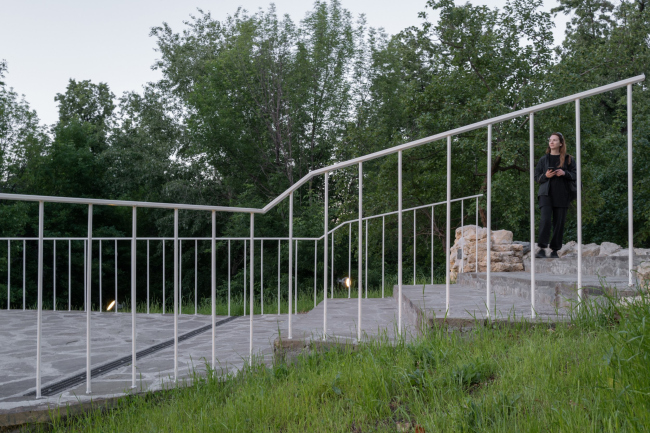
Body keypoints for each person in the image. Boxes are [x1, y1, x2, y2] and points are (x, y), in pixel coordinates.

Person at [534, 132, 576, 258]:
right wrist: (545, 176)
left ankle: (554, 250)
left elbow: (575, 175)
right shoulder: (543, 159)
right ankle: (541, 248)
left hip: (562, 195)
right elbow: (536, 177)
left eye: (555, 140)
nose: (551, 142)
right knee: (545, 220)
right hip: (546, 194)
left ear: (561, 143)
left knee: (559, 223)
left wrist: (564, 173)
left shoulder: (569, 159)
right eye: (550, 140)